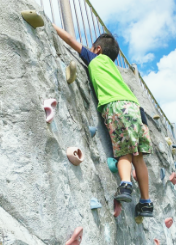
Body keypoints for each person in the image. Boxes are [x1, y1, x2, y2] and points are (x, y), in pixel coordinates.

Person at [52, 24, 153, 217]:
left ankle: (125, 185)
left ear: (97, 49)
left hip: (117, 107)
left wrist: (52, 25)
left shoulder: (95, 59)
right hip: (136, 109)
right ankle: (146, 202)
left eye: (92, 47)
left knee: (124, 151)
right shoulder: (115, 70)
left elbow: (71, 40)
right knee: (138, 157)